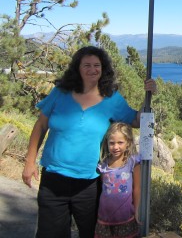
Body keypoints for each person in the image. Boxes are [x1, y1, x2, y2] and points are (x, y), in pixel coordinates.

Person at [22, 46, 156, 238]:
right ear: (77, 67)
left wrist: (148, 96)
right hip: (53, 180)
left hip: (89, 185)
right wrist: (29, 161)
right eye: (87, 65)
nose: (92, 69)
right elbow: (41, 125)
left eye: (97, 65)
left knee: (91, 234)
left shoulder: (111, 99)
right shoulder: (61, 92)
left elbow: (136, 120)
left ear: (103, 69)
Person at [95, 122, 141, 238]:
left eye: (120, 142)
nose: (115, 147)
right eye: (112, 143)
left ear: (128, 143)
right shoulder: (103, 165)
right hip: (104, 218)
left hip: (126, 218)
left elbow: (137, 188)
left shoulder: (132, 162)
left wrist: (137, 210)